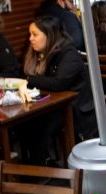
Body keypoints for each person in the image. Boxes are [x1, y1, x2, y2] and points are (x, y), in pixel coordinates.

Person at [22, 16, 94, 162]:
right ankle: (38, 162)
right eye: (30, 34)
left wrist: (29, 80)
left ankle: (42, 163)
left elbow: (58, 83)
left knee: (36, 124)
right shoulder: (38, 52)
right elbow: (24, 73)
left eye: (35, 34)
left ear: (49, 35)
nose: (30, 39)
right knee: (24, 123)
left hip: (74, 108)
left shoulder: (68, 54)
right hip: (50, 104)